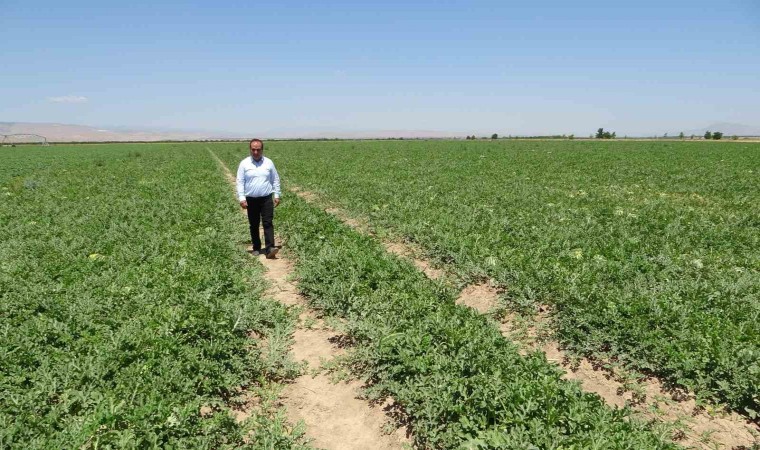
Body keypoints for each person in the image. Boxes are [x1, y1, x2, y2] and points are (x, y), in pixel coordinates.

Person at [236, 138, 281, 258]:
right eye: (253, 149)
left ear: (262, 149)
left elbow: (275, 179)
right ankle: (256, 247)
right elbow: (240, 181)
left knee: (268, 222)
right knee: (254, 224)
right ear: (250, 149)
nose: (256, 152)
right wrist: (242, 198)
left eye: (258, 149)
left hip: (266, 198)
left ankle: (270, 248)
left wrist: (276, 194)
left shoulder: (269, 163)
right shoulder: (244, 164)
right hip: (251, 199)